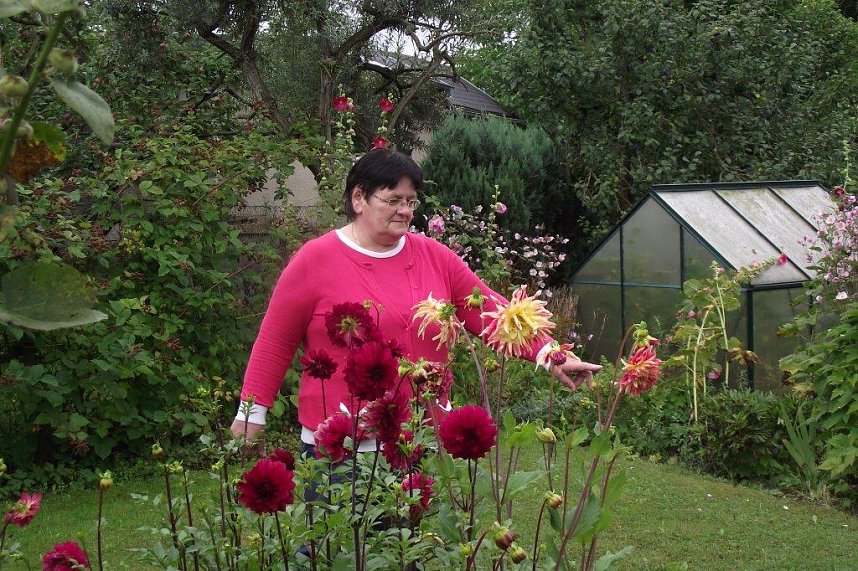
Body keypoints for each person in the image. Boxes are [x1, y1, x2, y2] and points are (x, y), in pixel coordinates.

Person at [230, 148, 601, 450]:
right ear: (359, 198)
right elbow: (275, 341)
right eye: (393, 200)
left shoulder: (434, 256)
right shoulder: (315, 260)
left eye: (410, 201)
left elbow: (491, 312)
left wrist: (551, 354)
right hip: (341, 444)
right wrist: (251, 414)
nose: (405, 211)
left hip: (420, 440)